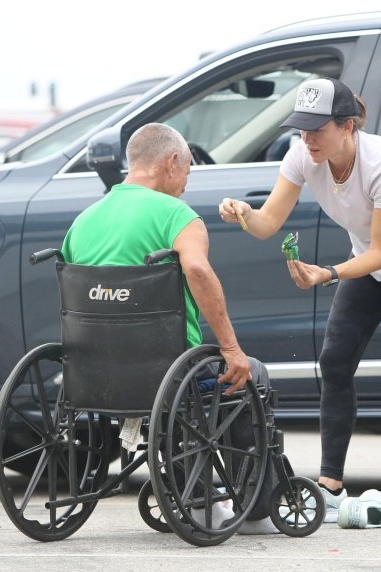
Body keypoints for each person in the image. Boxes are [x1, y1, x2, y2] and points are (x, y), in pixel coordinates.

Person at [219, 78, 381, 527]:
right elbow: (268, 222)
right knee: (334, 361)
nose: (307, 138)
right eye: (301, 128)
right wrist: (242, 214)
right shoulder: (303, 155)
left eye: (317, 129)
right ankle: (330, 483)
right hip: (367, 257)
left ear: (347, 126)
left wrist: (327, 273)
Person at [62, 122, 278, 534]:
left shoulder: (84, 221)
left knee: (193, 377)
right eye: (189, 171)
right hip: (171, 373)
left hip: (94, 376)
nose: (185, 183)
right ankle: (255, 511)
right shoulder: (177, 215)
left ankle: (190, 490)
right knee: (251, 373)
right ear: (172, 161)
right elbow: (197, 269)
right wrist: (230, 349)